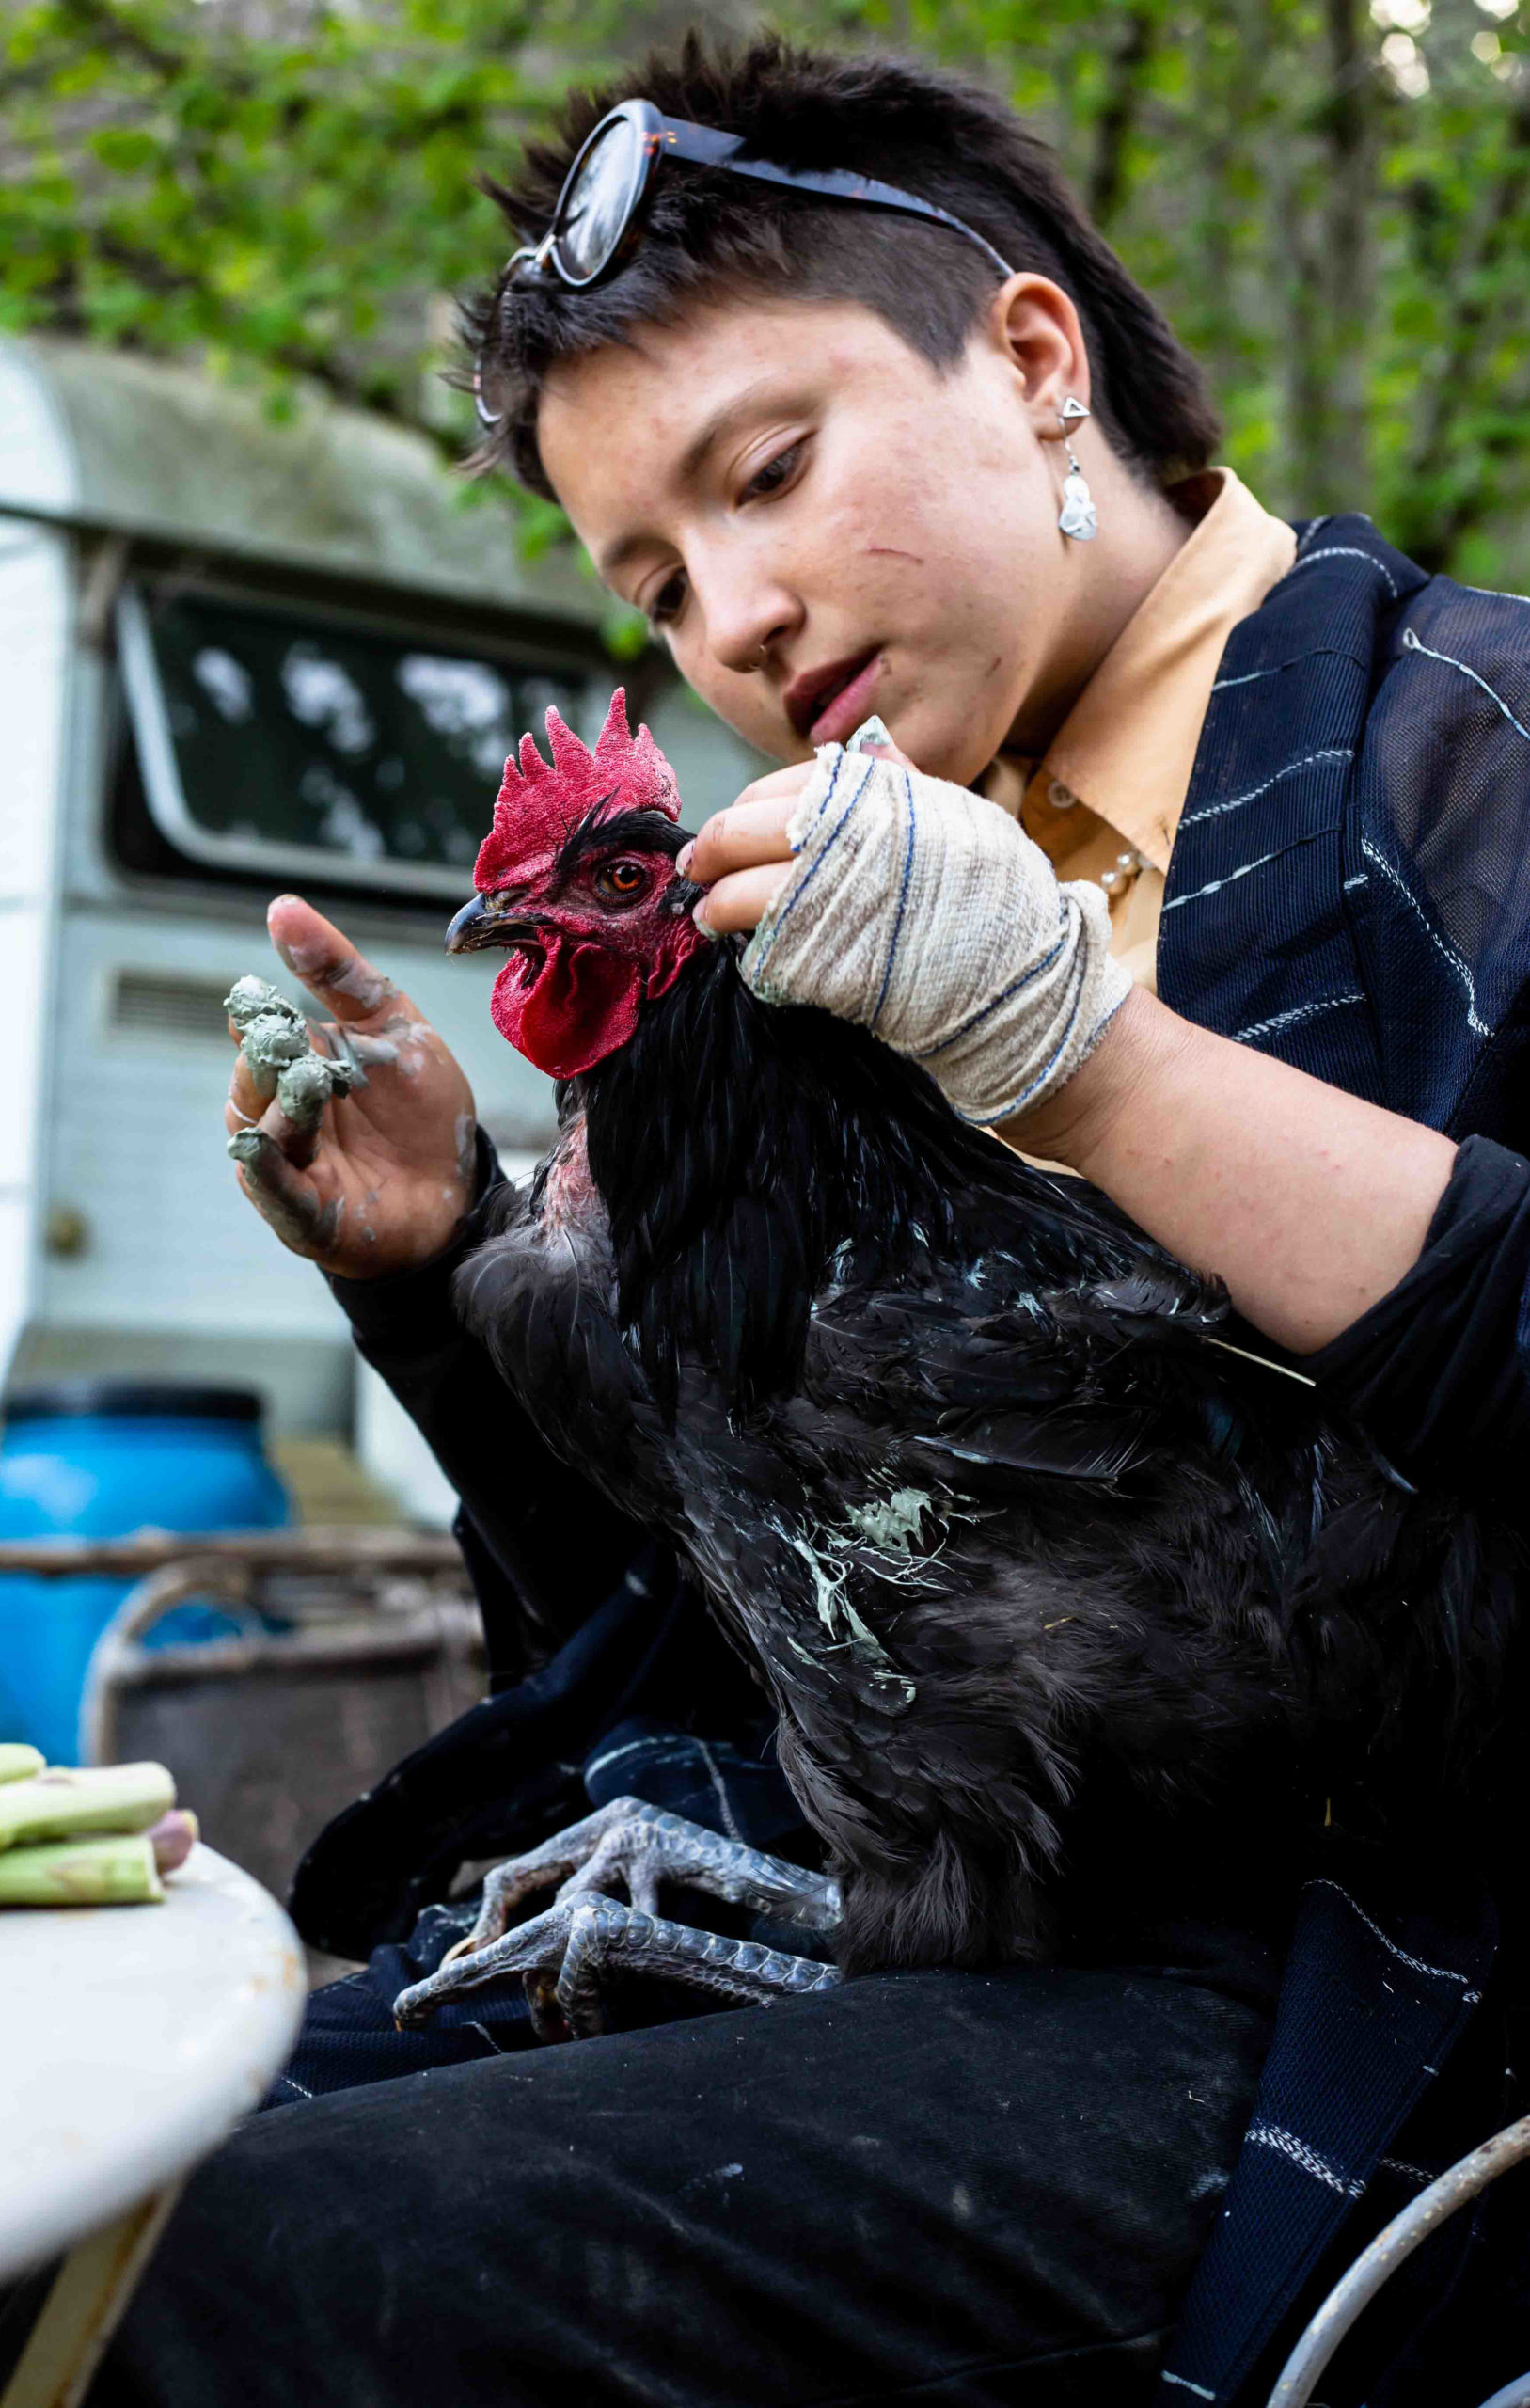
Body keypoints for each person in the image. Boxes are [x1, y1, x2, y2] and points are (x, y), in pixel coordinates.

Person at [93, 33, 1530, 2408]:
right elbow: (771, 1618)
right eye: (654, 580)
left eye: (767, 471)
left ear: (1035, 359)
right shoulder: (825, 936)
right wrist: (446, 1278)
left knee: (241, 2277)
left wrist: (1090, 1056)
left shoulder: (1474, 762)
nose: (736, 616)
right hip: (898, 1898)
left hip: (1365, 1988)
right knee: (79, 2182)